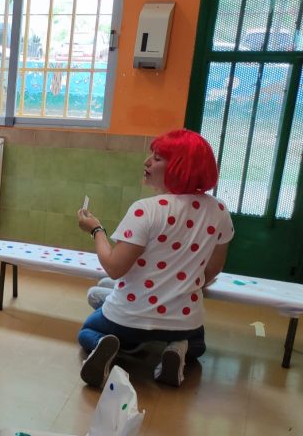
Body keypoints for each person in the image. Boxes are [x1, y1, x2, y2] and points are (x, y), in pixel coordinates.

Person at [76, 129, 234, 389]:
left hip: (130, 317)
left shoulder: (146, 210)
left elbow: (114, 268)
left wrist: (96, 230)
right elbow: (213, 270)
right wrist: (180, 286)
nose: (147, 162)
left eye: (157, 158)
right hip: (185, 320)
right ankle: (177, 348)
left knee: (88, 331)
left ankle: (108, 345)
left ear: (180, 167)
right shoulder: (219, 210)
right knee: (197, 345)